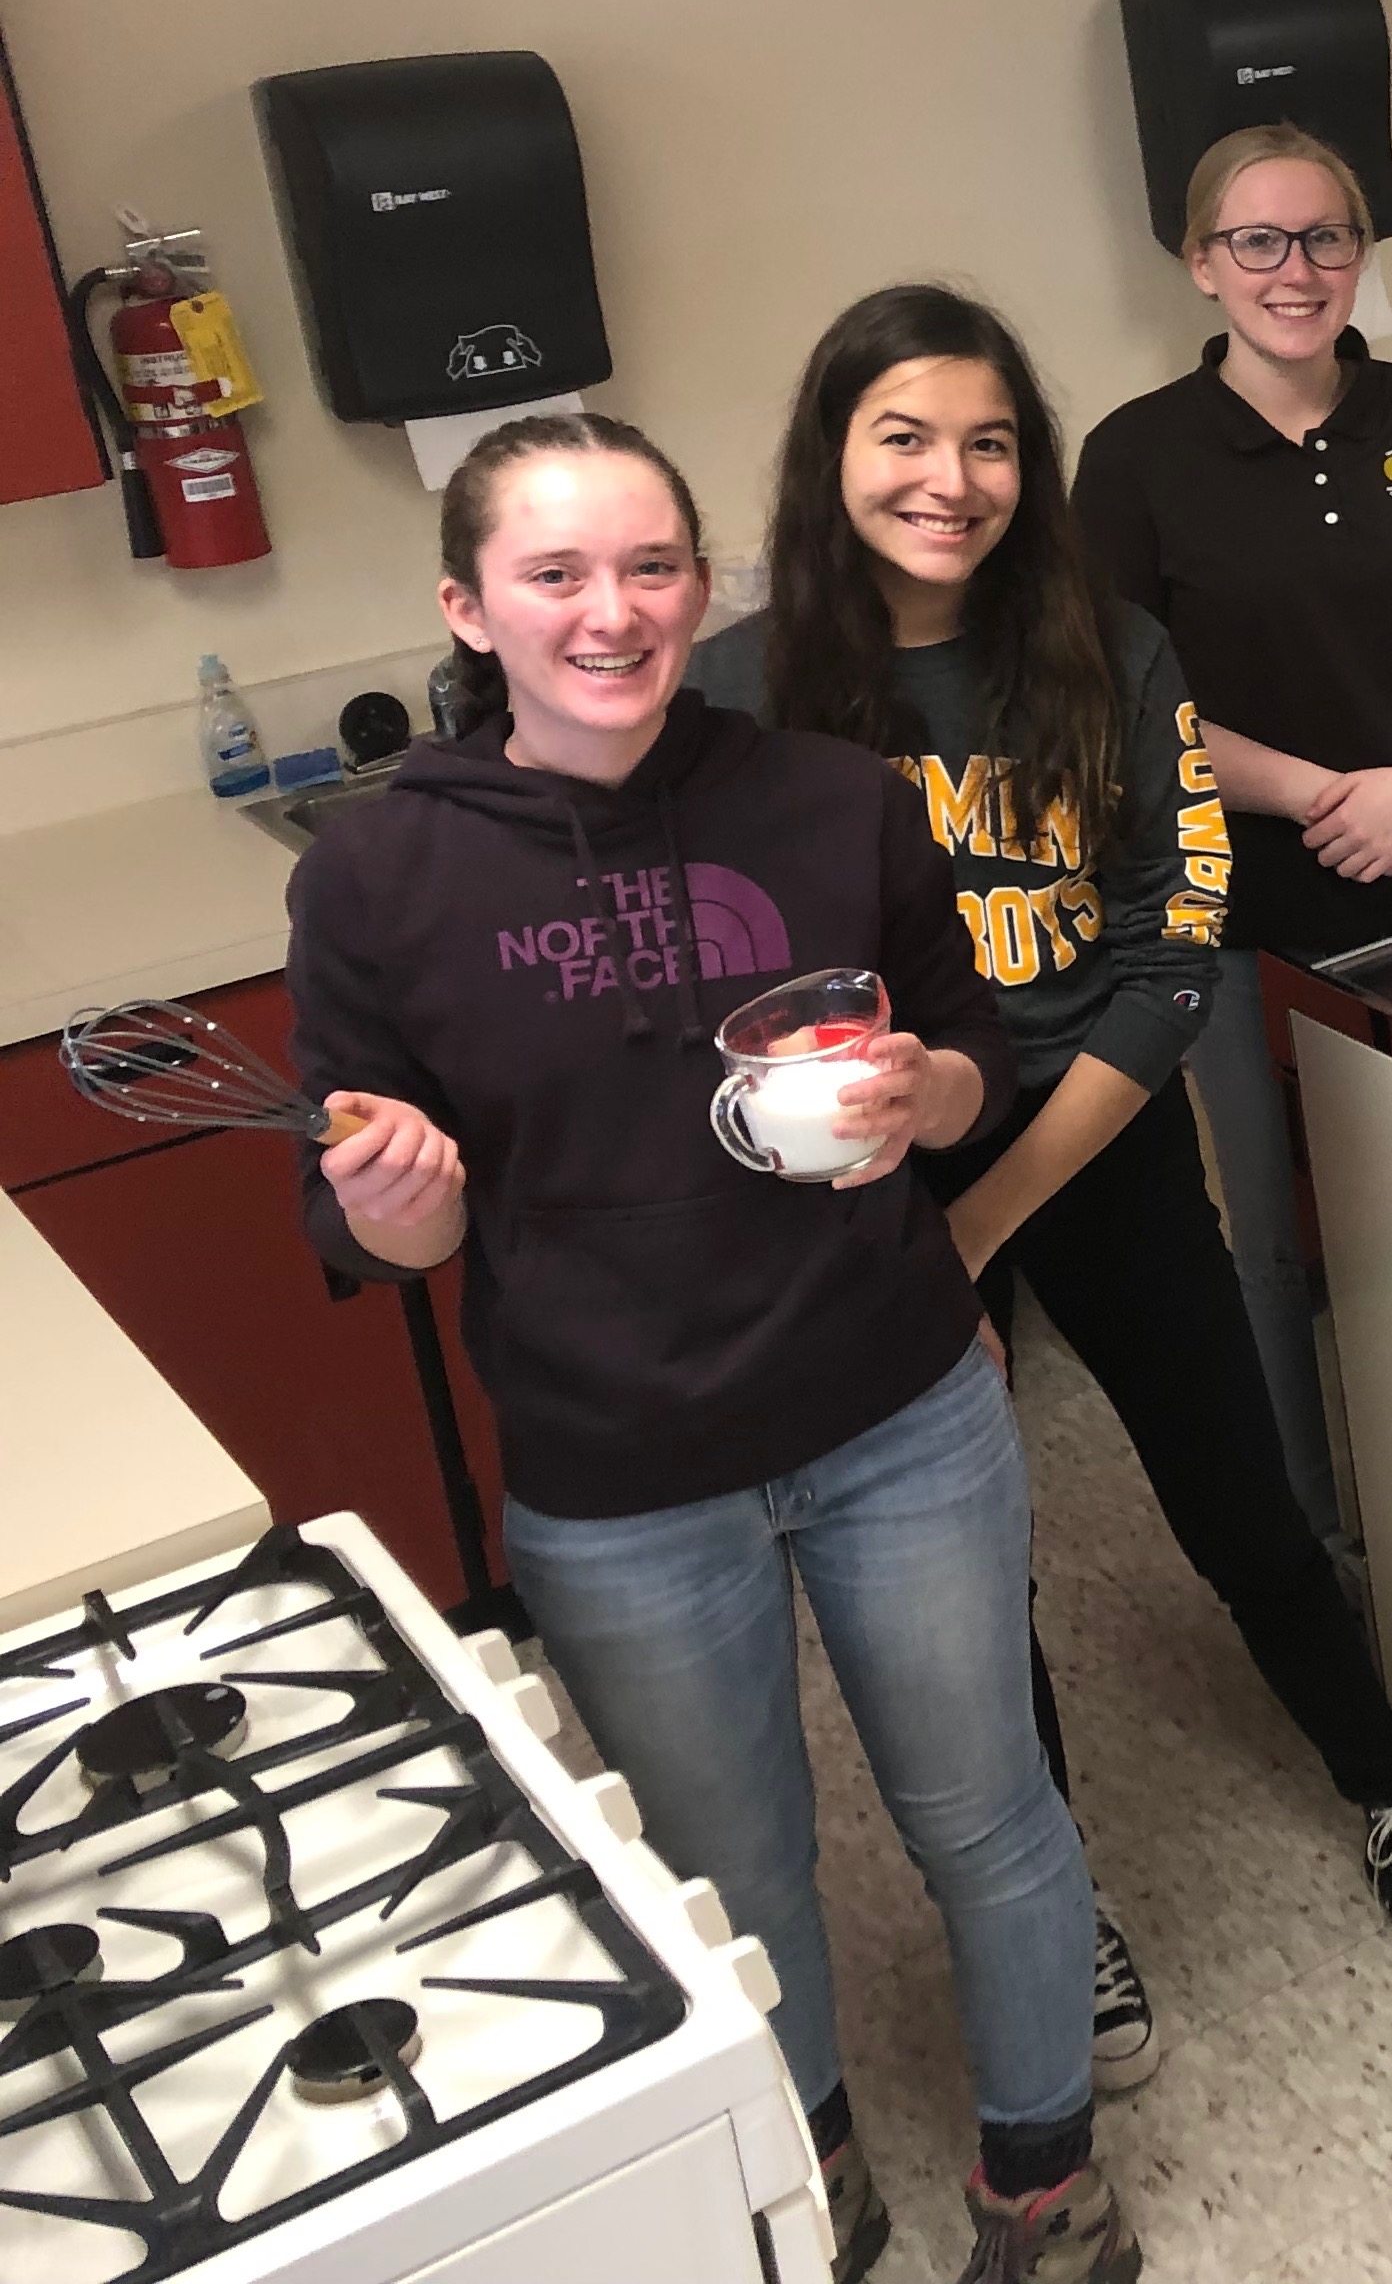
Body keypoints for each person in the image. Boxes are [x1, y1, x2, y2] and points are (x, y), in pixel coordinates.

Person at [287, 412, 1129, 2284]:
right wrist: (407, 1196)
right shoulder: (378, 880)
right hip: (618, 1473)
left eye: (653, 565)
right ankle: (801, 2169)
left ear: (706, 582)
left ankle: (1045, 2180)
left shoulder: (833, 800)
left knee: (988, 1808)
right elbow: (365, 1221)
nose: (613, 611)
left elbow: (981, 1042)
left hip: (896, 1401)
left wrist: (936, 1085)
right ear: (468, 604)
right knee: (729, 1873)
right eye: (556, 573)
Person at [697, 285, 1392, 2036]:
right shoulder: (742, 695)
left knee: (1243, 1499)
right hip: (870, 1196)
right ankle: (1052, 1899)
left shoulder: (1111, 647)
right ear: (831, 454)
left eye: (988, 439)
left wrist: (983, 1222)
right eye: (904, 435)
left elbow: (1173, 939)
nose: (950, 475)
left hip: (1095, 1137)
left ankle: (1387, 1795)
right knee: (968, 1585)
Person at [1069, 127, 1392, 1576]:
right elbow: (1118, 715)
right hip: (1241, 912)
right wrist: (1313, 794)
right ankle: (1318, 1536)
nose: (1298, 271)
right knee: (1273, 1242)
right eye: (1260, 243)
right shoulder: (1137, 460)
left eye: (1327, 237)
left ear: (1362, 249)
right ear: (1202, 262)